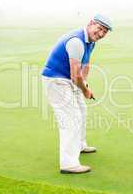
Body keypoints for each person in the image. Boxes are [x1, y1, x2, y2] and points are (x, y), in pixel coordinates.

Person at [41, 14, 112, 174]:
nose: (101, 34)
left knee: (82, 110)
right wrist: (85, 90)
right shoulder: (76, 42)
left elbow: (85, 66)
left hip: (68, 79)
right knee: (71, 118)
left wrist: (84, 85)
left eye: (104, 32)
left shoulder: (91, 42)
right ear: (91, 23)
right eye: (99, 29)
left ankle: (79, 145)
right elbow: (75, 75)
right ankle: (68, 164)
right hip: (56, 80)